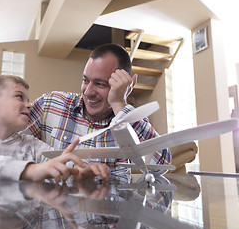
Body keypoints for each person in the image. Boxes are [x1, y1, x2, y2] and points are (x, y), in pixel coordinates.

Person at [28, 43, 171, 179]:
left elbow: (160, 168)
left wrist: (119, 103)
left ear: (124, 86)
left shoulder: (131, 123)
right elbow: (9, 142)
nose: (88, 92)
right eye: (85, 80)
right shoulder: (50, 104)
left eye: (100, 84)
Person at [0, 75, 110, 181]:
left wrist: (84, 170)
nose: (29, 105)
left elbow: (56, 163)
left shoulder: (31, 145)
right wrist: (29, 170)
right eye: (19, 97)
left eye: (28, 99)